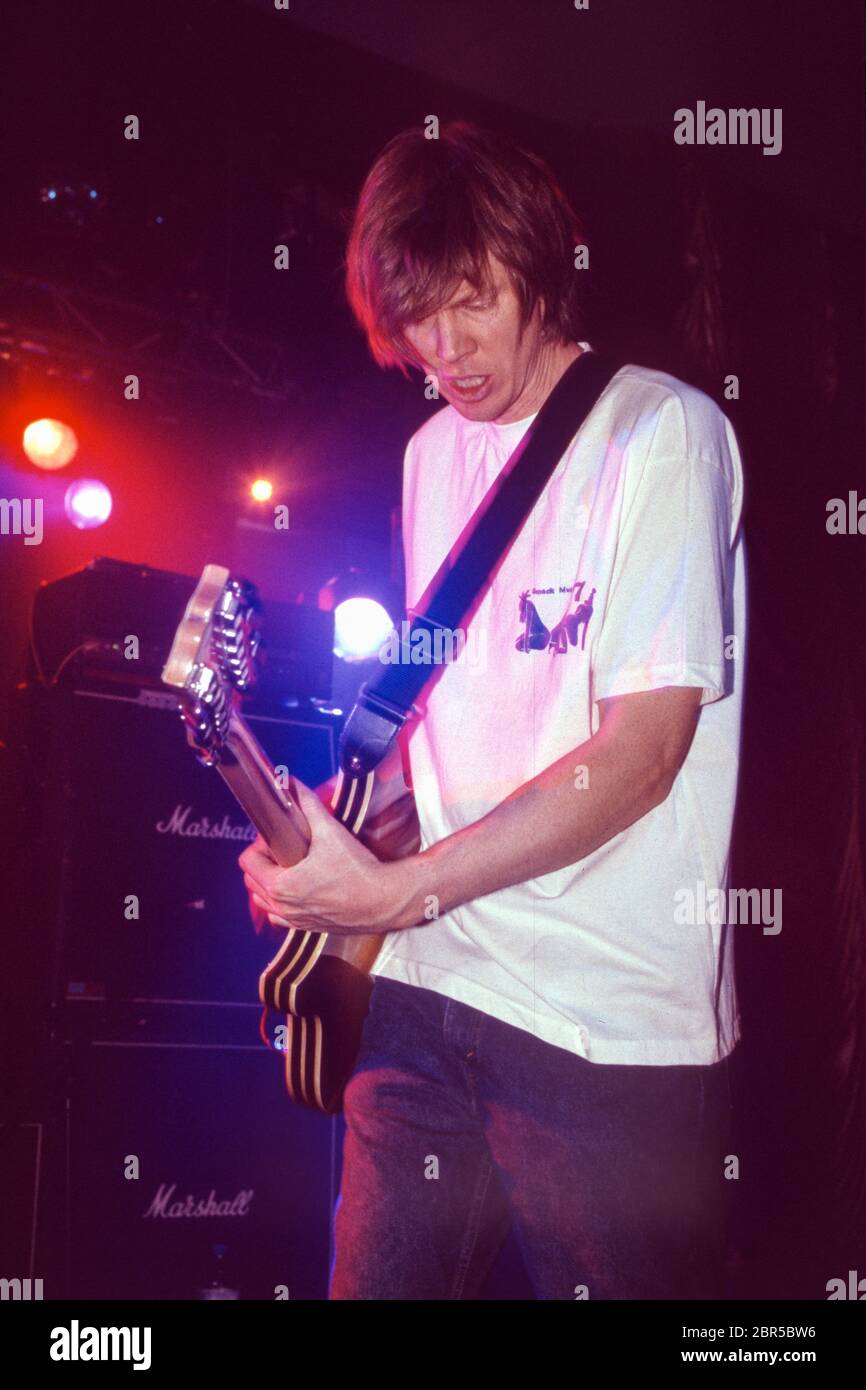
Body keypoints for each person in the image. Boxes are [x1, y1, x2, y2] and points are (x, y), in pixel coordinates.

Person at [240, 120, 746, 1300]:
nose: (443, 350)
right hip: (426, 985)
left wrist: (395, 886)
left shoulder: (659, 433)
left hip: (598, 1025)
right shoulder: (429, 453)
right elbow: (450, 725)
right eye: (413, 317)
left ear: (540, 266)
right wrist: (340, 839)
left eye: (470, 302)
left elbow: (640, 752)